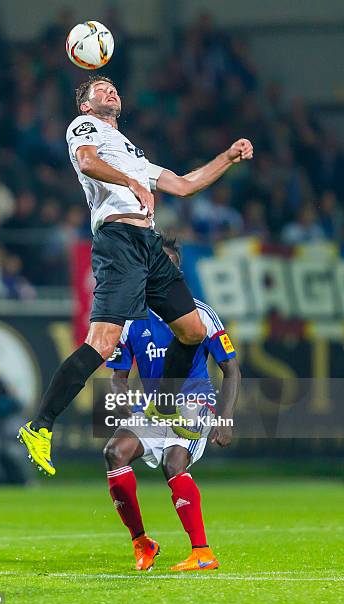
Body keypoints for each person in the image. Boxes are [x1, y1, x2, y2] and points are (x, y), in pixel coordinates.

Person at [18, 76, 253, 476]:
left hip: (149, 245)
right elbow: (88, 162)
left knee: (193, 331)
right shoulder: (83, 128)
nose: (110, 91)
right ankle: (39, 427)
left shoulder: (132, 152)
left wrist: (227, 157)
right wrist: (131, 183)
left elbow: (183, 184)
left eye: (113, 87)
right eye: (100, 89)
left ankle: (163, 406)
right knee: (104, 343)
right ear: (85, 105)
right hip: (119, 241)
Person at [103, 237, 240, 571]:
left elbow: (231, 369)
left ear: (176, 273)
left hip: (195, 401)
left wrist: (225, 418)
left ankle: (202, 552)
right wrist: (124, 404)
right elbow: (117, 377)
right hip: (155, 408)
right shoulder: (131, 321)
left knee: (172, 461)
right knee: (114, 452)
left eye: (171, 267)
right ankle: (142, 543)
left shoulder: (201, 315)